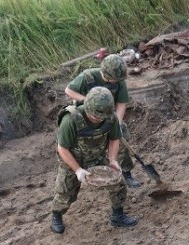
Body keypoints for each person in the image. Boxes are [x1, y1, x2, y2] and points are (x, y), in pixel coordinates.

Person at [51, 86, 139, 234]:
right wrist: (77, 170)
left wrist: (112, 160)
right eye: (95, 116)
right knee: (65, 192)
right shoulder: (70, 119)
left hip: (97, 157)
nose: (98, 119)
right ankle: (56, 216)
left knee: (118, 183)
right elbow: (62, 149)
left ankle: (117, 215)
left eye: (101, 117)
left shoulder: (110, 117)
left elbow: (114, 139)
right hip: (72, 160)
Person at [64, 54, 142, 188]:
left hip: (108, 117)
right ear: (104, 73)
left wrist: (116, 124)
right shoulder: (87, 77)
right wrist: (88, 102)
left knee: (122, 135)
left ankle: (126, 172)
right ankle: (79, 169)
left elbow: (121, 104)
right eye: (112, 79)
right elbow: (69, 90)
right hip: (86, 117)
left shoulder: (119, 81)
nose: (115, 82)